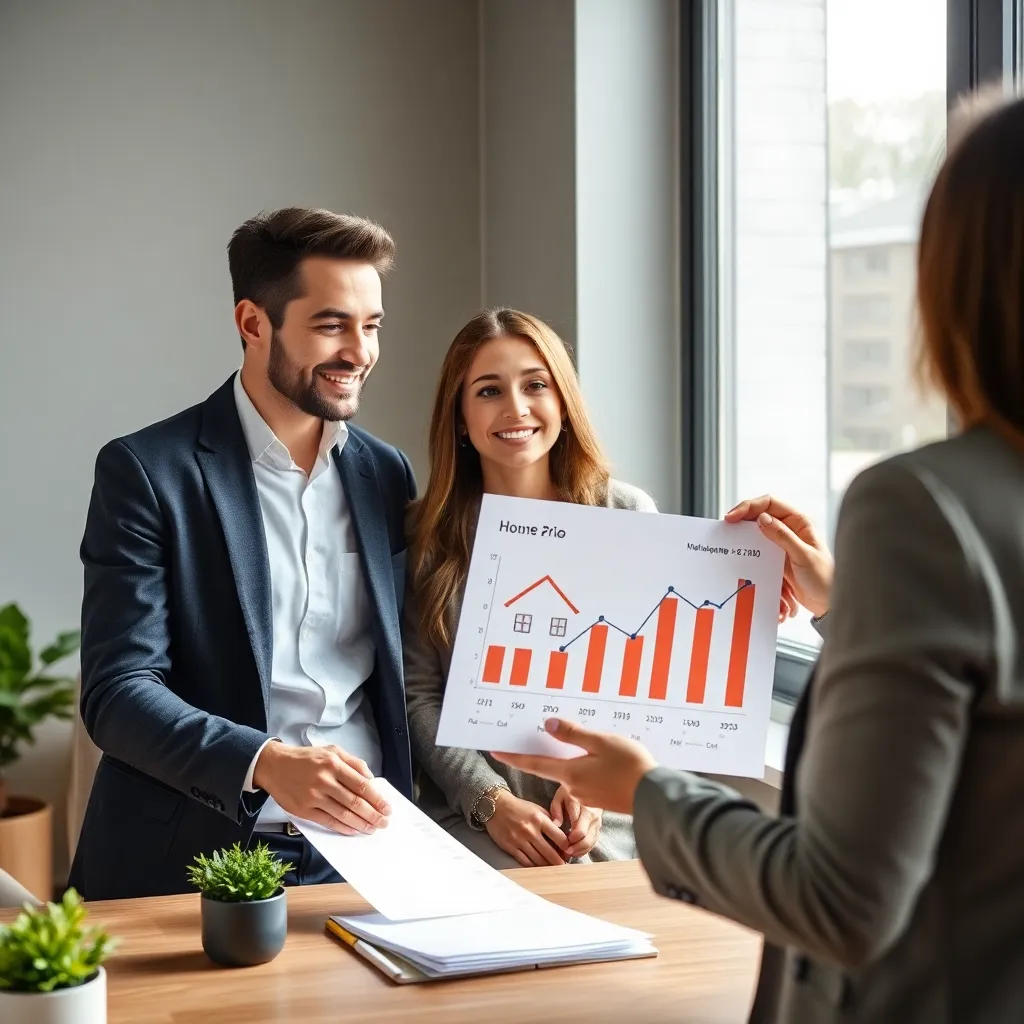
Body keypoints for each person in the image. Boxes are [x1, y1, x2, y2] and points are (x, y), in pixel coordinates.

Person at [493, 90, 1024, 1023]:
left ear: (958, 279)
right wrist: (843, 598)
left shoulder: (924, 508)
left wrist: (648, 791)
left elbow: (844, 902)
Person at [70, 208, 415, 900]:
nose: (360, 351)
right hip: (200, 862)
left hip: (370, 862)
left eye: (371, 325)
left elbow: (407, 677)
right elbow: (117, 693)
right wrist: (264, 762)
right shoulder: (147, 471)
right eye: (330, 325)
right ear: (254, 324)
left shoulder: (387, 474)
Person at [402, 308, 657, 869]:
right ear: (460, 418)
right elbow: (419, 696)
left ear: (562, 400)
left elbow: (644, 683)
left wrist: (595, 788)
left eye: (535, 385)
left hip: (604, 821)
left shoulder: (627, 514)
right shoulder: (429, 535)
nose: (516, 408)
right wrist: (489, 801)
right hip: (474, 823)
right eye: (489, 391)